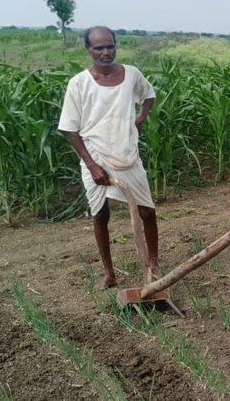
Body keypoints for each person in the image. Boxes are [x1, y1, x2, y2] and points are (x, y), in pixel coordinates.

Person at [58, 26, 159, 289]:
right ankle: (108, 273)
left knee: (147, 211)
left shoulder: (131, 74)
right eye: (99, 47)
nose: (105, 52)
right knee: (100, 215)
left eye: (110, 46)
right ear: (88, 50)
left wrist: (140, 118)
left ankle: (155, 265)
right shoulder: (79, 83)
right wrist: (92, 165)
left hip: (127, 154)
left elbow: (148, 95)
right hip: (95, 156)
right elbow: (70, 128)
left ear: (116, 45)